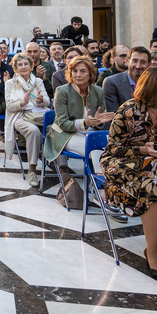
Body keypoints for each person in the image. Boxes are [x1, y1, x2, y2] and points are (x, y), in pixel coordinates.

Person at [102, 68, 157, 285]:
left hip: (150, 172)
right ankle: (153, 253)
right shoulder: (128, 110)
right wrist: (142, 151)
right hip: (118, 166)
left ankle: (153, 253)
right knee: (156, 169)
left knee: (153, 180)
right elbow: (113, 150)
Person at [43, 56, 115, 208]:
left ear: (90, 74)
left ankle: (114, 190)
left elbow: (98, 123)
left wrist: (99, 123)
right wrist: (85, 123)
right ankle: (101, 193)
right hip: (64, 134)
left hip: (89, 131)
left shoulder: (98, 91)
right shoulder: (62, 91)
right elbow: (62, 123)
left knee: (113, 148)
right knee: (95, 151)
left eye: (83, 71)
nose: (78, 75)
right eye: (74, 71)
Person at [5, 53, 50, 186]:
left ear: (31, 67)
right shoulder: (10, 83)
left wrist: (41, 100)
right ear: (16, 68)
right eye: (20, 64)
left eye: (26, 64)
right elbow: (10, 106)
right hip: (20, 115)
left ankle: (62, 168)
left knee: (57, 129)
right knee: (33, 131)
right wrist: (23, 102)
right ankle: (32, 169)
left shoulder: (38, 81)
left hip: (39, 114)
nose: (23, 67)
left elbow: (47, 101)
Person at [103, 46, 151, 112]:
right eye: (134, 61)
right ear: (127, 61)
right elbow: (113, 114)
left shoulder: (154, 83)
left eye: (143, 62)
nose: (138, 66)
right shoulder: (112, 82)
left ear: (149, 64)